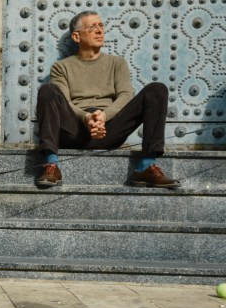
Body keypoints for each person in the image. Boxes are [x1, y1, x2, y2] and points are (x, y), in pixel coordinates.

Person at [34, 10, 180, 189]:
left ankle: (146, 166)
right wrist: (87, 117)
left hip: (110, 129)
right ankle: (51, 165)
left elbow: (125, 96)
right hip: (76, 130)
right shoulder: (61, 67)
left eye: (101, 26)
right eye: (92, 27)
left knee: (157, 90)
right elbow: (65, 101)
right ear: (76, 36)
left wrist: (103, 116)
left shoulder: (117, 63)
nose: (99, 31)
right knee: (48, 90)